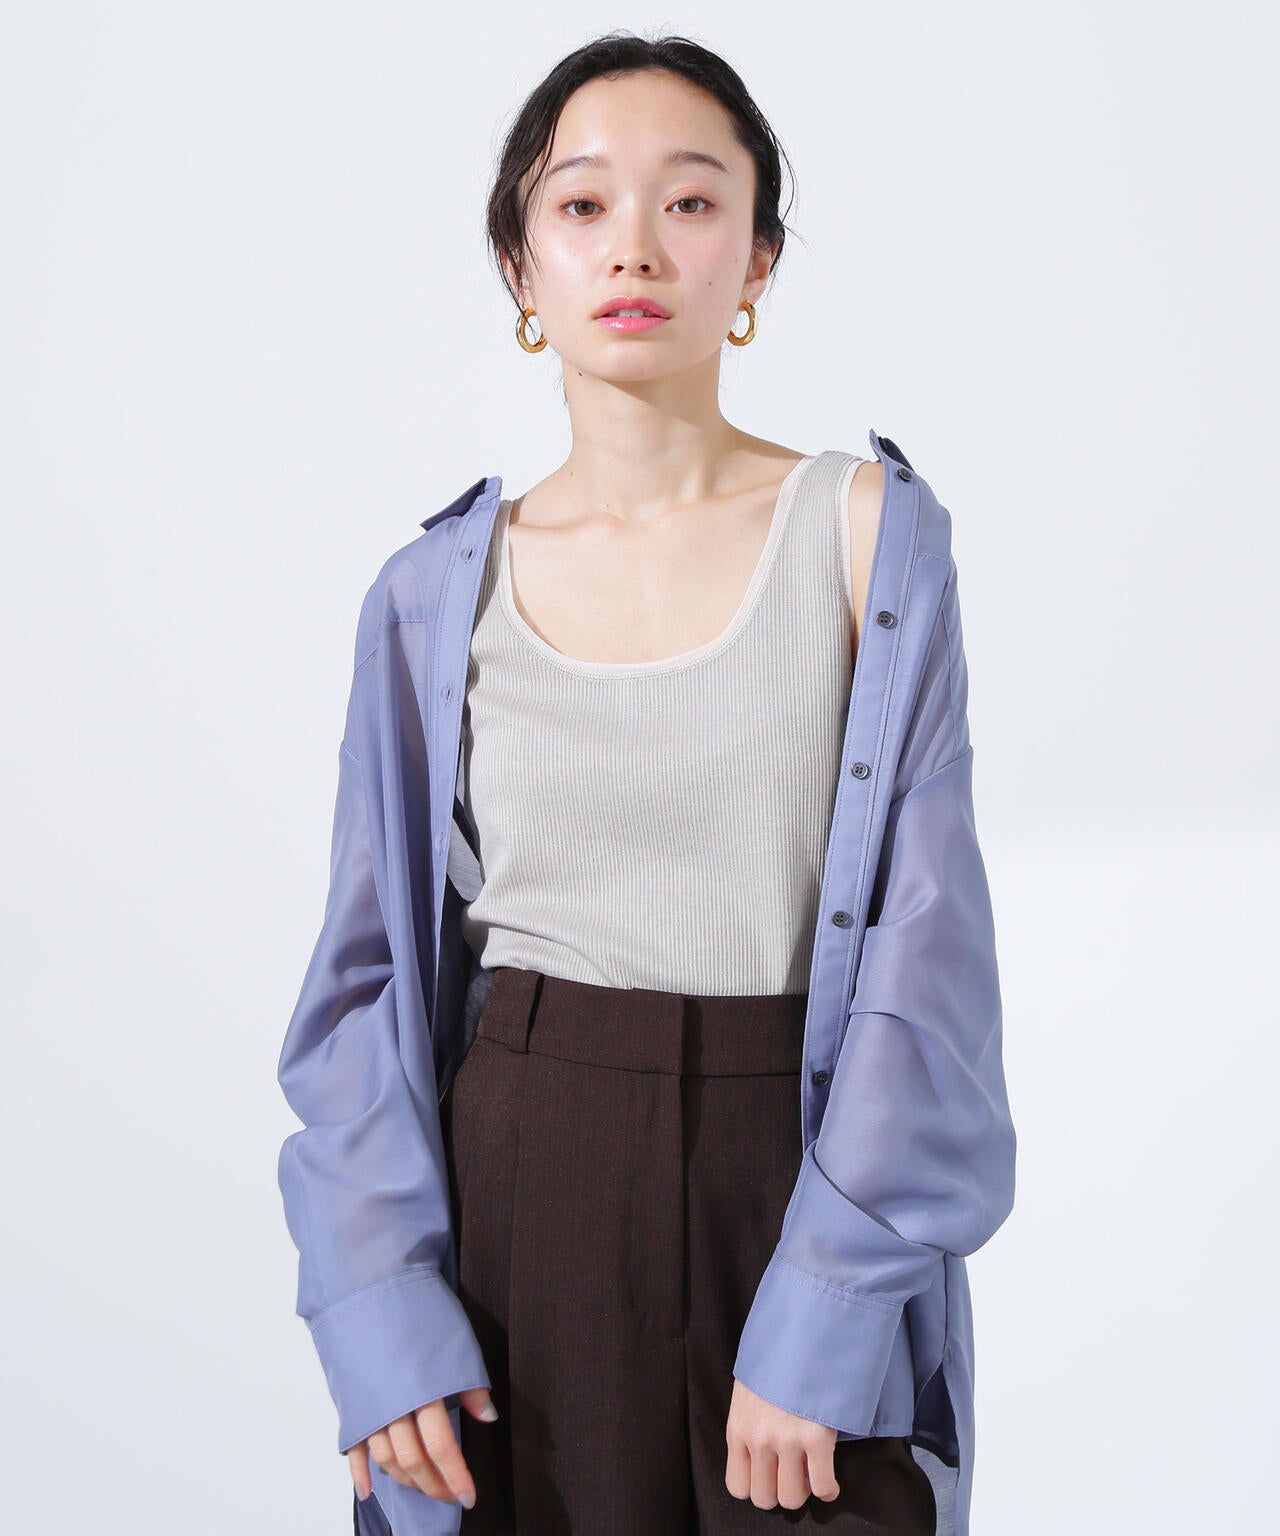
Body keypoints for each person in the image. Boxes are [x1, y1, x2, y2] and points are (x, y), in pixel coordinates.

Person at [275, 30, 1017, 1536]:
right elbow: (364, 982)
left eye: (690, 202)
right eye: (581, 205)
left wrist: (831, 1301)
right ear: (521, 264)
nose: (634, 247)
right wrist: (377, 1299)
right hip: (521, 1183)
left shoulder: (869, 536)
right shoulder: (430, 594)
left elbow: (928, 961)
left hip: (793, 1163)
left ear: (756, 259)